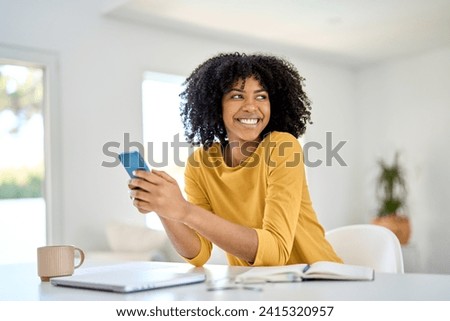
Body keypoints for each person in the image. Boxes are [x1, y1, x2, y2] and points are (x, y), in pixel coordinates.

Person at [128, 52, 342, 267]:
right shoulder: (200, 163)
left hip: (319, 279)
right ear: (215, 104)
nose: (251, 106)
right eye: (237, 96)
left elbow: (275, 252)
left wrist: (184, 210)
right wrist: (165, 209)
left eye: (261, 96)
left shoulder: (282, 146)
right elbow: (199, 253)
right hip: (256, 287)